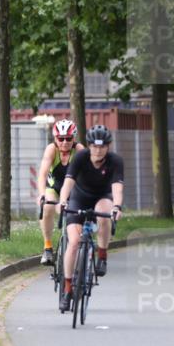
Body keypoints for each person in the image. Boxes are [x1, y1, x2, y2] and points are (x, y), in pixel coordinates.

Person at [57, 125, 124, 311]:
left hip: (103, 197)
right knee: (74, 242)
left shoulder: (115, 161)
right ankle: (68, 288)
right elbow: (68, 183)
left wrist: (117, 206)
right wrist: (62, 201)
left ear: (108, 147)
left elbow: (117, 189)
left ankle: (102, 255)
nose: (98, 150)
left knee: (105, 213)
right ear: (89, 146)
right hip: (79, 198)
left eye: (102, 147)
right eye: (94, 146)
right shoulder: (80, 157)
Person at [37, 119, 85, 265]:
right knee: (47, 207)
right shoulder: (52, 149)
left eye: (68, 138)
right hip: (54, 188)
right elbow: (42, 174)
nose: (64, 142)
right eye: (60, 138)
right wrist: (41, 194)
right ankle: (47, 248)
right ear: (55, 138)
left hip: (74, 189)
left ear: (74, 138)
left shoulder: (79, 150)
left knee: (81, 213)